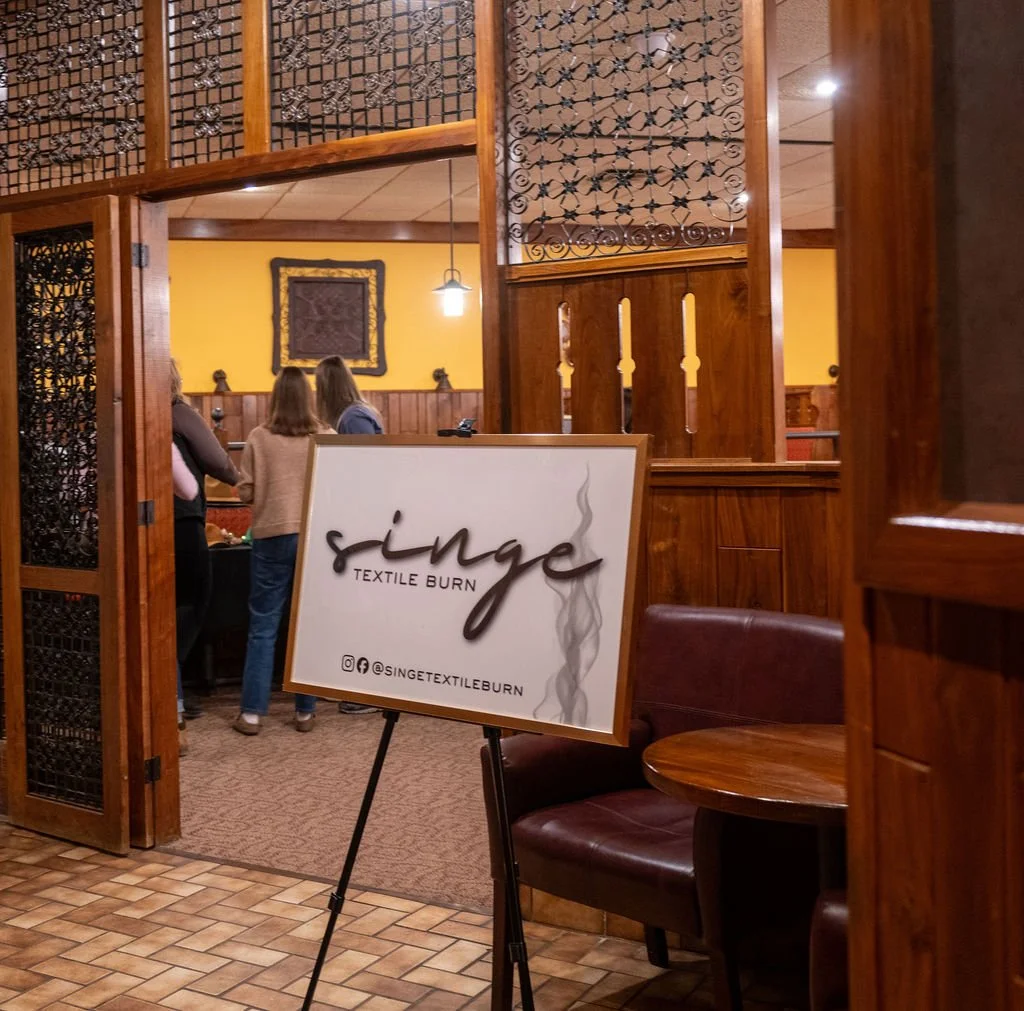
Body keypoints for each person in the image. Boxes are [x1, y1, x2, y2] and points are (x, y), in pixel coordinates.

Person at [235, 367, 330, 735]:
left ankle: (252, 714)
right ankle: (305, 711)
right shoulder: (326, 436)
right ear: (308, 397)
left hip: (272, 535)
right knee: (304, 624)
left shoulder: (259, 437)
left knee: (263, 624)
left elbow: (246, 491)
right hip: (315, 537)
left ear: (276, 398)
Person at [172, 360, 239, 752]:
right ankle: (172, 698)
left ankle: (172, 702)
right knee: (191, 603)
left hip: (139, 527)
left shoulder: (124, 412)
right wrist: (243, 482)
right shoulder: (177, 413)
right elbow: (217, 462)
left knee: (156, 617)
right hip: (181, 524)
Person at [314, 355, 383, 714]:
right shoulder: (356, 413)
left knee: (360, 607)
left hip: (364, 521)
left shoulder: (353, 418)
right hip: (362, 518)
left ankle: (365, 691)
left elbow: (365, 470)